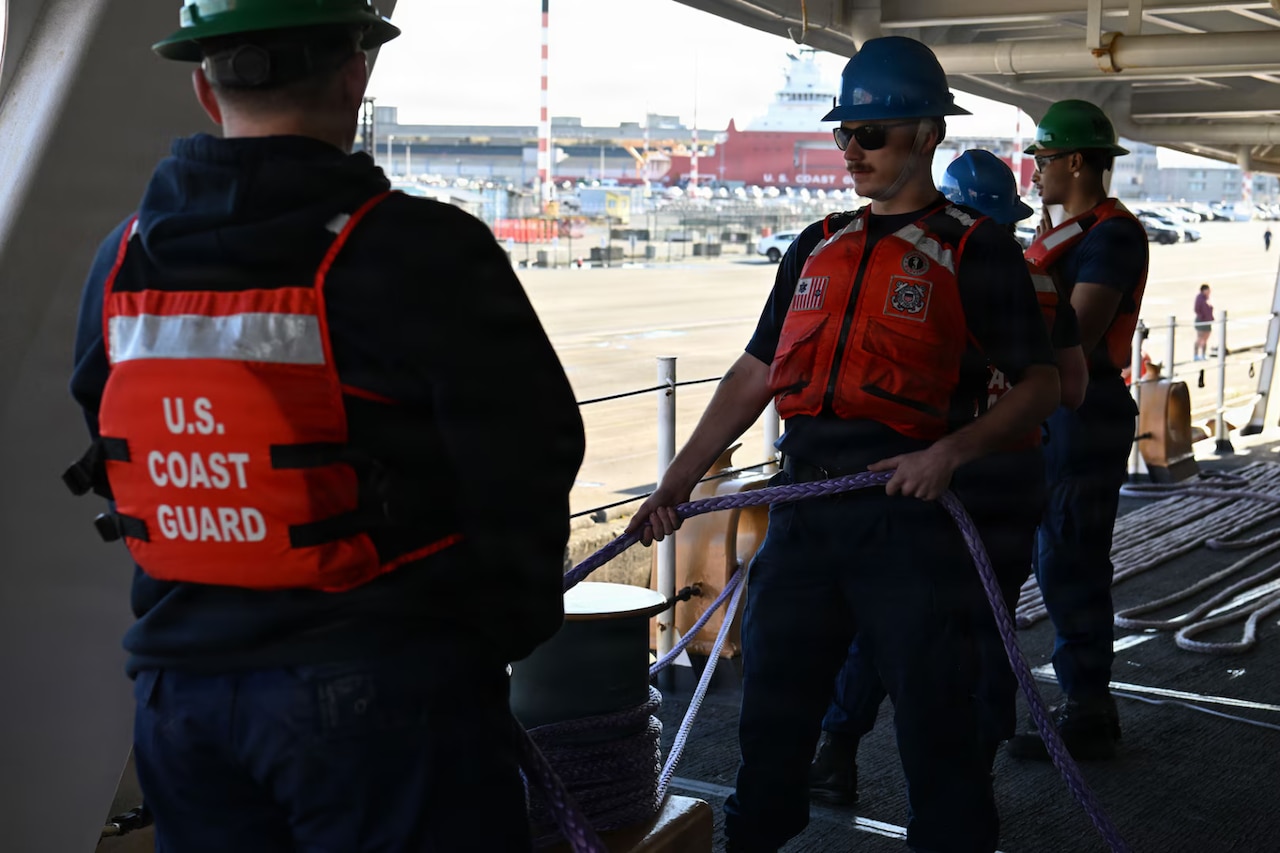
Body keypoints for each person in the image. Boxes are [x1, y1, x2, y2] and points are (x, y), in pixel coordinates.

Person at [63, 3, 585, 850]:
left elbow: (116, 436)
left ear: (203, 85)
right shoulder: (422, 249)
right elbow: (528, 459)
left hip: (181, 696)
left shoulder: (119, 259)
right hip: (384, 689)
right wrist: (492, 636)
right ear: (356, 74)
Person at [626, 37, 1060, 853]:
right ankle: (753, 838)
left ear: (927, 133)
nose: (852, 150)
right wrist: (676, 482)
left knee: (940, 723)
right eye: (844, 134)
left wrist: (951, 454)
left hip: (910, 520)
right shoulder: (815, 245)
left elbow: (1042, 385)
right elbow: (756, 370)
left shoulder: (976, 248)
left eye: (873, 133)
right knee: (772, 717)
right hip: (805, 517)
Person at [807, 149, 1089, 808]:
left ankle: (835, 752)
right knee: (989, 625)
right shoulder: (1042, 283)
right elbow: (1071, 389)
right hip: (1013, 478)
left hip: (930, 474)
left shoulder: (934, 269)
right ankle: (973, 775)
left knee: (889, 620)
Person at [1005, 99, 1149, 762]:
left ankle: (1089, 709)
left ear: (1076, 162)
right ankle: (1083, 703)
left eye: (1043, 156)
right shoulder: (1066, 234)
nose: (1035, 169)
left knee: (1071, 559)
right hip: (1055, 417)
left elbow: (1081, 329)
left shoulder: (1112, 237)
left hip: (1086, 418)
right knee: (1051, 555)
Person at [1194, 284, 1213, 361]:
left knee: (1205, 338)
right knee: (1200, 338)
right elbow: (1197, 309)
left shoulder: (1206, 298)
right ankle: (1196, 355)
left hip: (1207, 321)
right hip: (1202, 321)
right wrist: (1202, 316)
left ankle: (1203, 354)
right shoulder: (1200, 299)